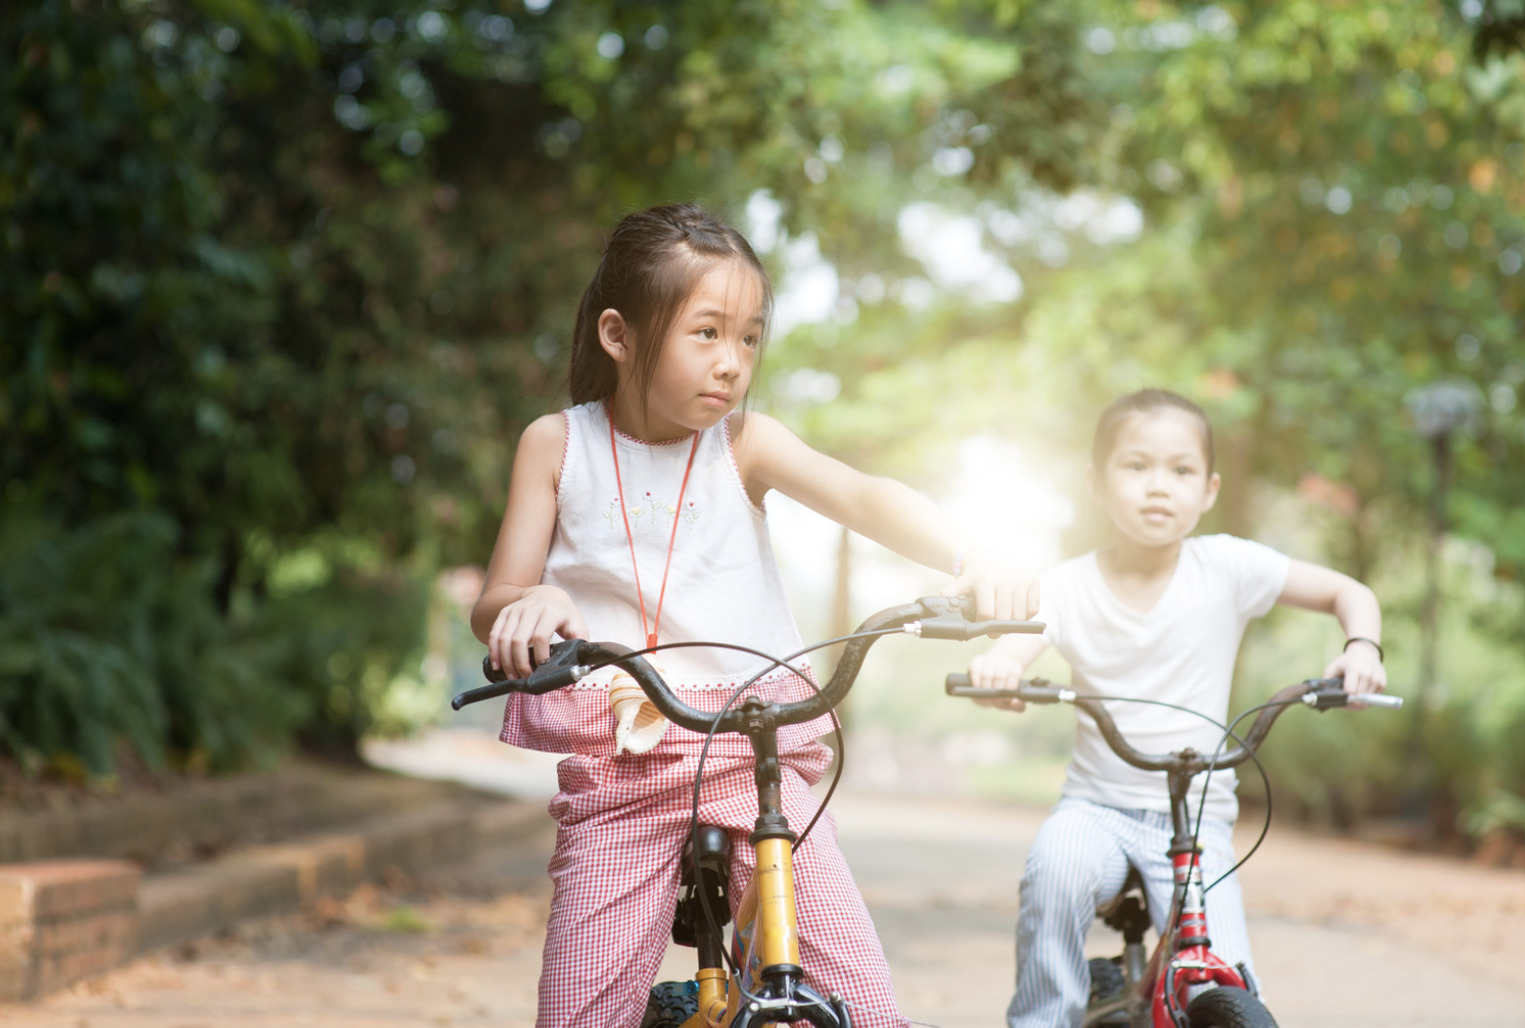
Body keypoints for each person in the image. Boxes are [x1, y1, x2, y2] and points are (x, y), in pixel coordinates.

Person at [471, 202, 1037, 1028]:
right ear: (619, 337)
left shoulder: (747, 444)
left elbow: (864, 496)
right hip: (621, 768)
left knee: (862, 1005)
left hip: (754, 754)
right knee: (579, 1013)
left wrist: (974, 555)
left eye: (748, 337)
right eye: (706, 333)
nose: (732, 363)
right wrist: (535, 602)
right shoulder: (558, 446)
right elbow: (494, 601)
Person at [967, 388, 1387, 1028]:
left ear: (1210, 489)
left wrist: (1361, 646)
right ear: (1097, 483)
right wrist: (1000, 664)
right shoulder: (1067, 585)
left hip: (1197, 819)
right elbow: (1020, 640)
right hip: (1096, 808)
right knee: (1054, 871)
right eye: (1136, 466)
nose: (1158, 486)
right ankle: (1043, 1018)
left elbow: (1347, 591)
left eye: (1181, 470)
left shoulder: (1228, 567)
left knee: (1226, 974)